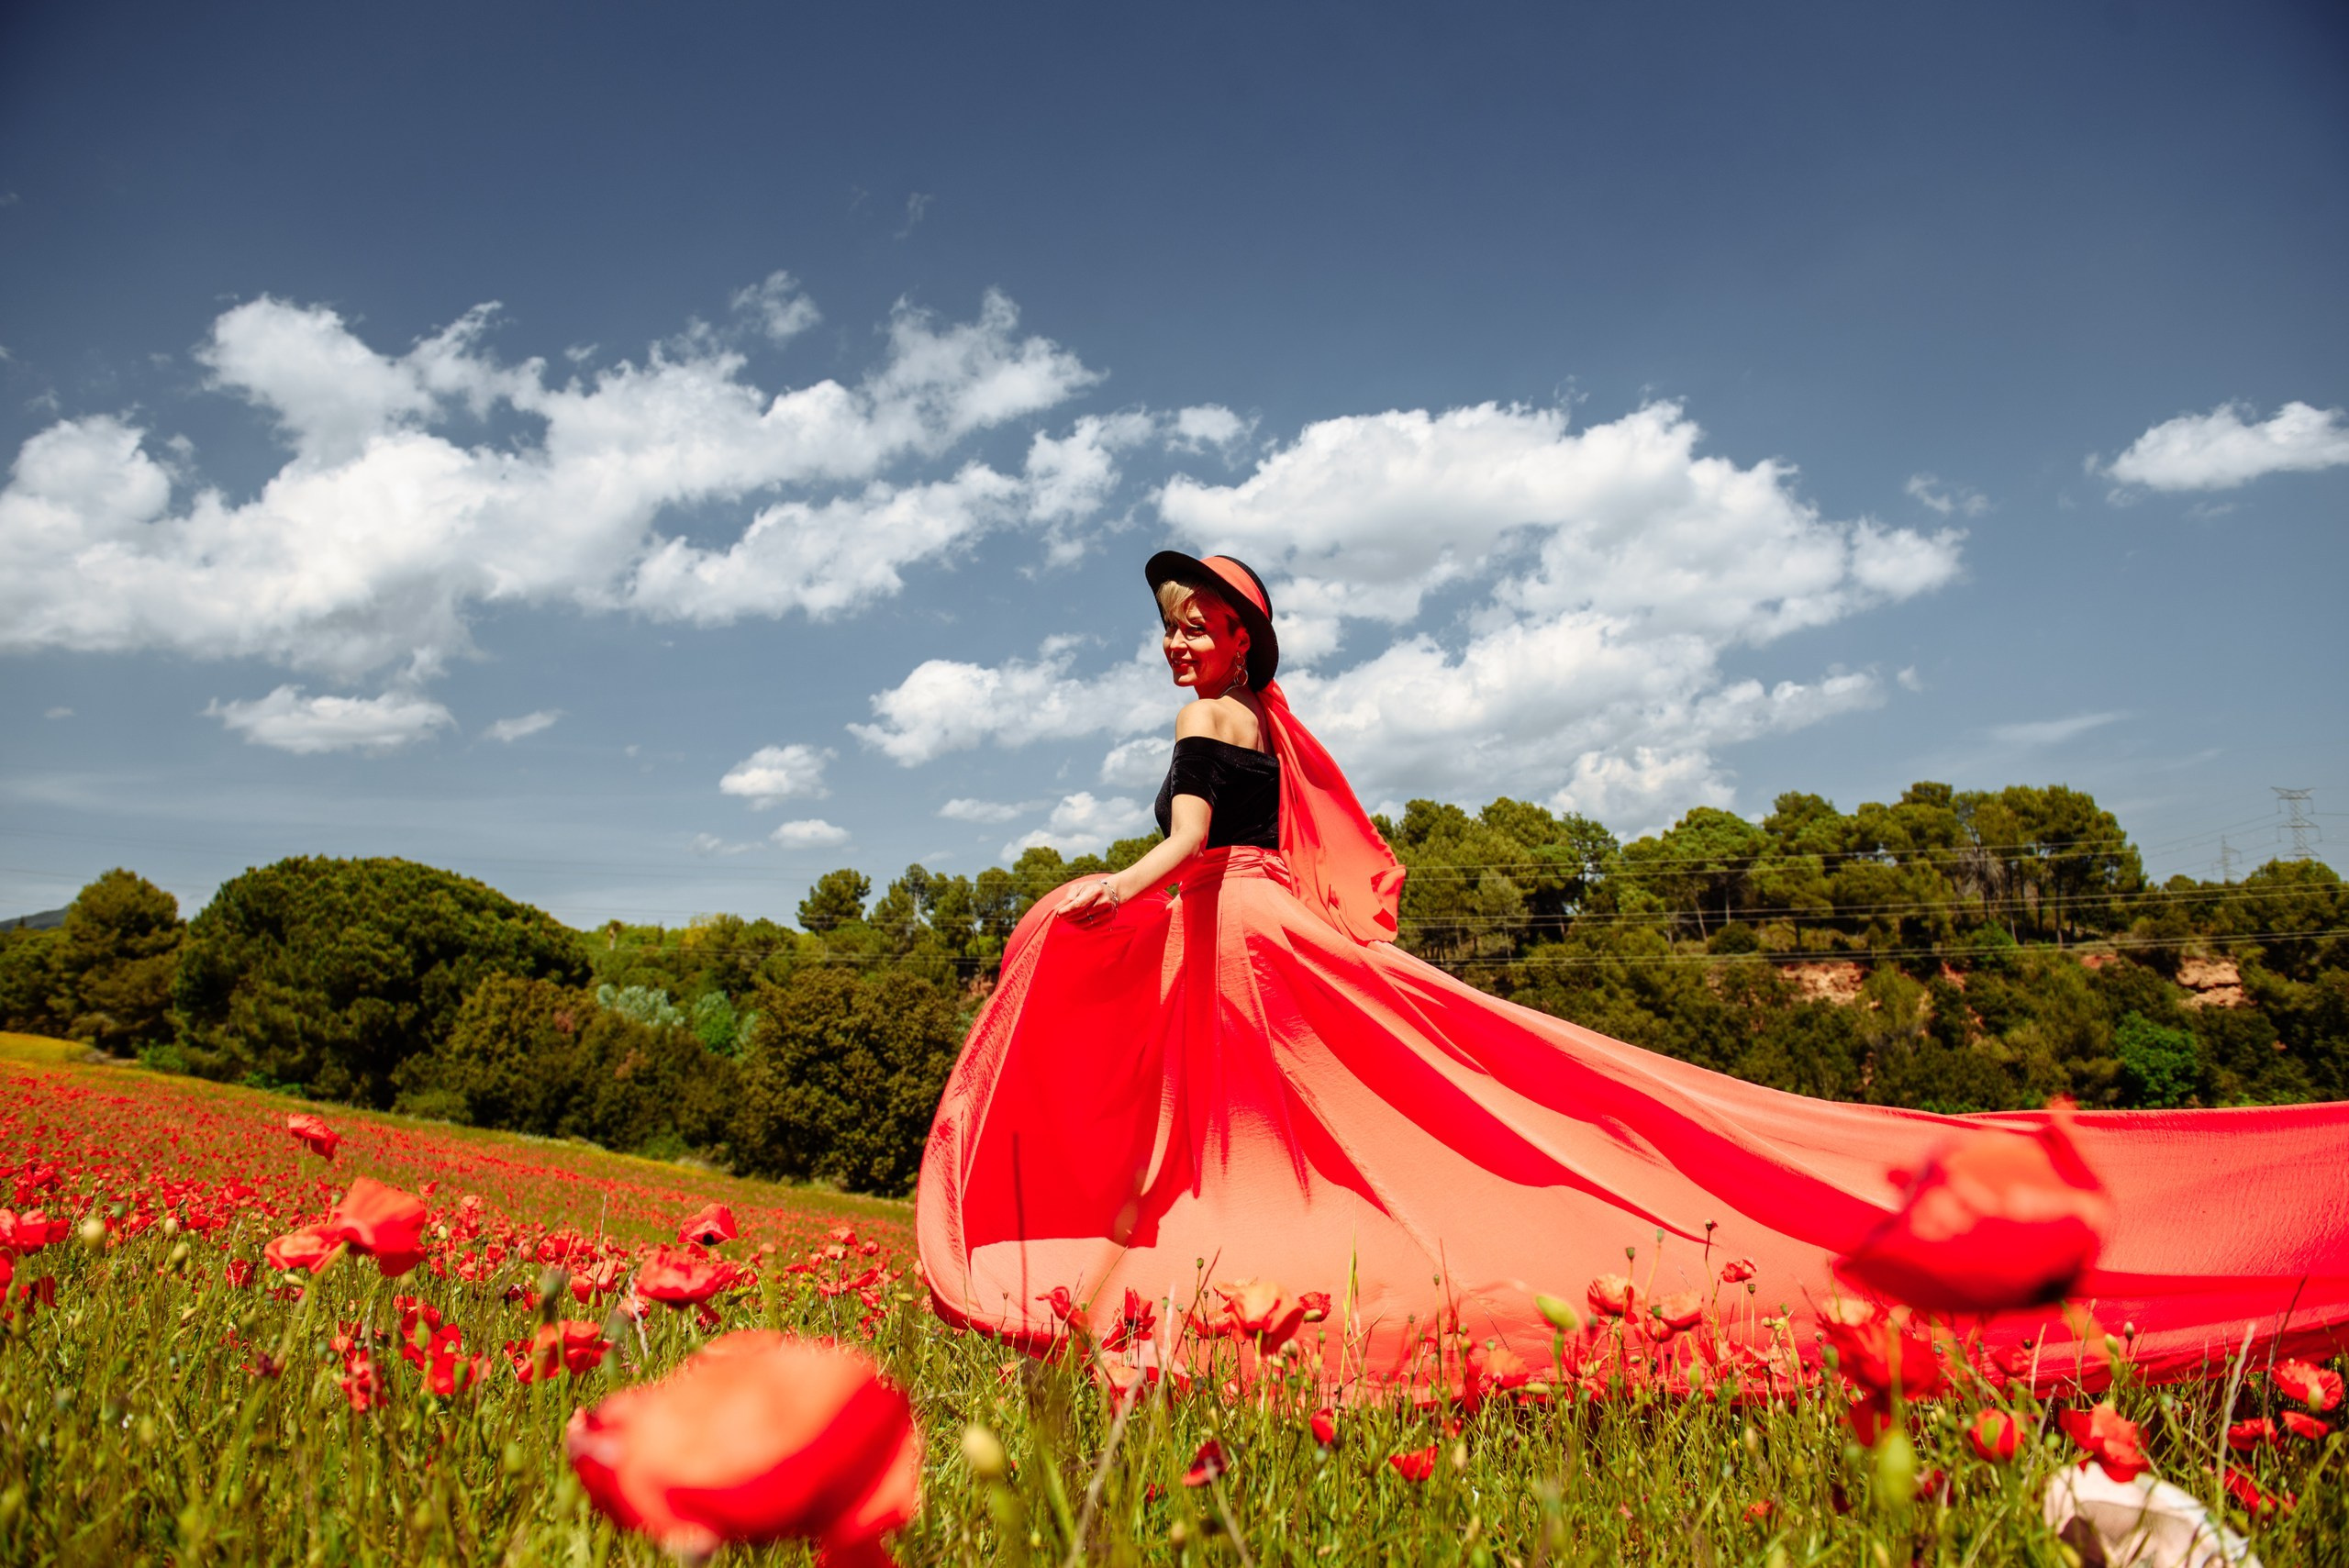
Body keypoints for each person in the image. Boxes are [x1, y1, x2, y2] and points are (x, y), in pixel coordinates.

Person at [916, 551, 2349, 1392]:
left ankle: (1223, 1285)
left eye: (1197, 623)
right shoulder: (1271, 726)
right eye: (1169, 626)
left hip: (1237, 940)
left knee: (1268, 1144)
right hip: (1265, 930)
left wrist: (1104, 888)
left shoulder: (1212, 724)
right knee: (1368, 1119)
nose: (1179, 644)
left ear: (1241, 638)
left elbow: (1185, 845)